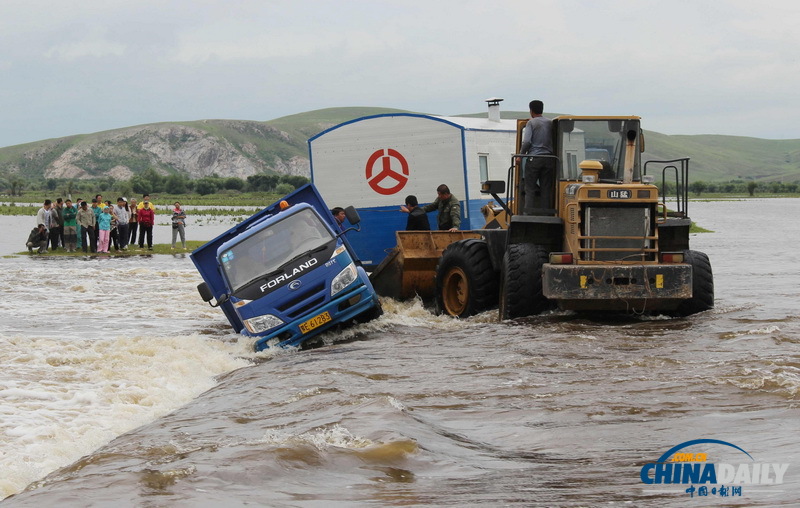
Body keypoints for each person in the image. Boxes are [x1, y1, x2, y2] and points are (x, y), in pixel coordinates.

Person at [519, 99, 555, 214]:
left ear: (531, 110)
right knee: (545, 189)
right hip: (549, 159)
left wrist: (520, 155)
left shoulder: (531, 123)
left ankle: (527, 214)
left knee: (529, 188)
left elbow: (527, 142)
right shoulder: (550, 123)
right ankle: (546, 214)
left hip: (534, 159)